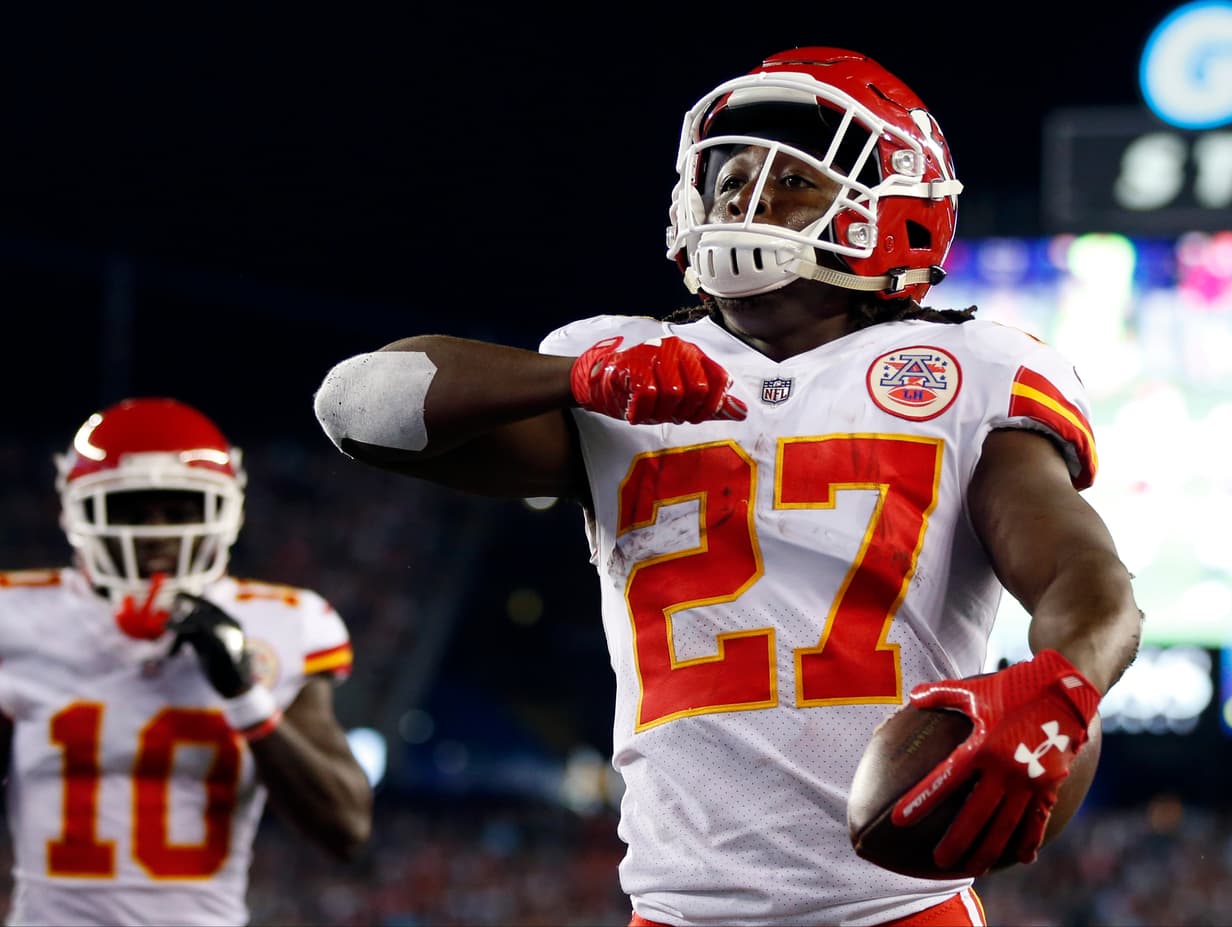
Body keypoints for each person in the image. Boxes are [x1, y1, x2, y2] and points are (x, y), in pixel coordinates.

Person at [313, 46, 1143, 927]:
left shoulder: (968, 367)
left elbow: (1085, 579)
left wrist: (1059, 685)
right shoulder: (620, 361)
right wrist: (573, 378)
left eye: (791, 181)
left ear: (897, 207)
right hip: (676, 907)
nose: (748, 201)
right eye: (733, 175)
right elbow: (357, 408)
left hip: (897, 909)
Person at [0, 397, 373, 926]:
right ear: (78, 512)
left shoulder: (286, 624)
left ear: (223, 511)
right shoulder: (14, 618)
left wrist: (247, 697)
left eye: (179, 510)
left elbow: (347, 829)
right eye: (132, 510)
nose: (156, 534)